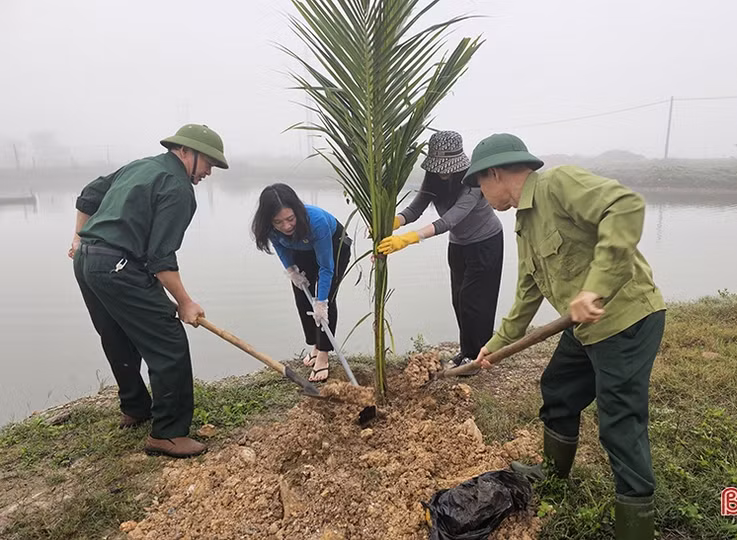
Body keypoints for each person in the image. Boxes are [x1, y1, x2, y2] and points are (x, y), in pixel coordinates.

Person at [466, 133, 666, 539]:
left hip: (624, 320)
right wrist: (497, 344)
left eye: (479, 184)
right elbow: (528, 291)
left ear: (495, 173)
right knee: (558, 389)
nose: (480, 194)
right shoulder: (525, 222)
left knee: (619, 423)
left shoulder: (558, 184)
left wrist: (595, 288)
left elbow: (625, 205)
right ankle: (554, 475)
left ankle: (636, 525)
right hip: (584, 329)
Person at [69, 124, 228, 458]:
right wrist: (185, 302)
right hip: (117, 267)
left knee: (116, 335)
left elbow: (89, 194)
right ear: (185, 151)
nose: (208, 172)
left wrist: (79, 238)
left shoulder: (141, 166)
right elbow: (160, 259)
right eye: (207, 162)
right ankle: (168, 434)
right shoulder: (178, 188)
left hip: (87, 262)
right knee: (168, 341)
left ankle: (135, 408)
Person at [378, 130, 504, 367]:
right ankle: (467, 350)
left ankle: (478, 355)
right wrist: (392, 222)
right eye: (439, 167)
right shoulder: (433, 179)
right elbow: (414, 210)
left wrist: (407, 239)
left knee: (475, 301)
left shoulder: (473, 182)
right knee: (459, 300)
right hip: (458, 245)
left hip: (485, 242)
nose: (443, 172)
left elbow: (449, 220)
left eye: (448, 168)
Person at [251, 183, 351, 382]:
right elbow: (281, 247)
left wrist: (321, 302)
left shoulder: (316, 221)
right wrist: (291, 270)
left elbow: (326, 267)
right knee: (302, 296)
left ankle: (323, 354)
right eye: (278, 222)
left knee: (326, 298)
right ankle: (315, 345)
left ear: (297, 211)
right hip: (301, 249)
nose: (286, 226)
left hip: (333, 246)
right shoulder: (269, 228)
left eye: (290, 219)